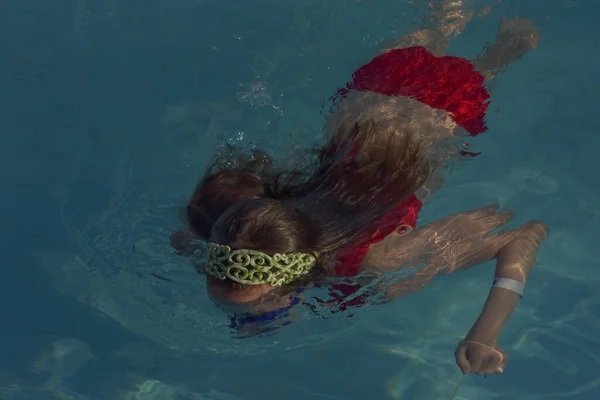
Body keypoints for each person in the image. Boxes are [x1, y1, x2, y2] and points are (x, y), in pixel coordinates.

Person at [172, 3, 546, 376]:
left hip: (446, 109)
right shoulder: (254, 224)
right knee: (436, 21)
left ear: (291, 281)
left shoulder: (378, 261)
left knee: (488, 62)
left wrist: (485, 334)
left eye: (262, 305)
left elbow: (521, 238)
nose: (250, 318)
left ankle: (505, 49)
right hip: (372, 92)